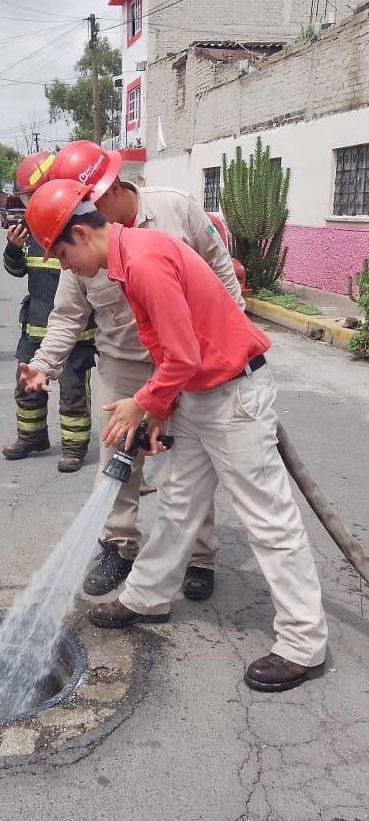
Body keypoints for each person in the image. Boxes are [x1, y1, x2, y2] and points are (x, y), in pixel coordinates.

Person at [24, 178, 328, 693]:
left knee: (269, 518)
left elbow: (182, 355)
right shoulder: (128, 257)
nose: (66, 268)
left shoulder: (142, 262)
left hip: (232, 395)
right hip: (203, 393)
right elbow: (172, 350)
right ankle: (146, 596)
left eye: (62, 255)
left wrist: (141, 403)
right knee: (180, 502)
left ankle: (303, 643)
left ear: (80, 234)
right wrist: (159, 410)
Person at [23, 140, 244, 599]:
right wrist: (44, 364)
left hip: (187, 364)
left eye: (90, 202)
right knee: (118, 455)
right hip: (125, 363)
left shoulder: (176, 209)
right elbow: (67, 315)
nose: (87, 212)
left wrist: (234, 338)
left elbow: (220, 269)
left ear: (114, 189)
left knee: (190, 460)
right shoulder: (81, 242)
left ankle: (199, 554)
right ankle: (118, 546)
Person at [2, 153, 95, 473]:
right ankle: (32, 437)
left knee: (72, 392)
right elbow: (16, 270)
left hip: (74, 335)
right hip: (35, 329)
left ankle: (74, 446)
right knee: (26, 385)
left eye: (31, 196)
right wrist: (13, 249)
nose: (28, 204)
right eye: (26, 198)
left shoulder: (77, 229)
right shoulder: (28, 231)